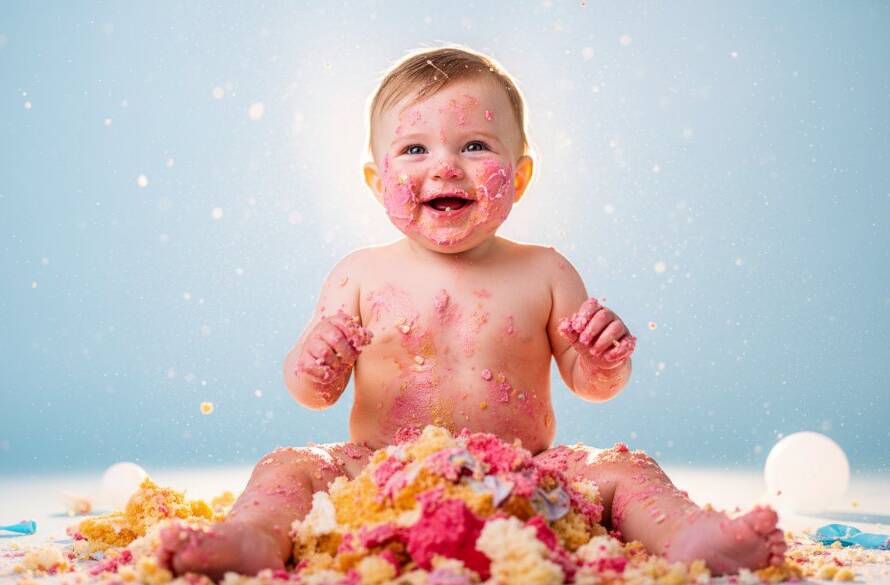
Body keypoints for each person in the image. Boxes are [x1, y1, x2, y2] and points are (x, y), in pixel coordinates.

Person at [159, 45, 786, 580]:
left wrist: (603, 359)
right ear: (376, 182)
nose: (444, 166)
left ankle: (691, 539)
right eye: (414, 148)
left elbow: (591, 386)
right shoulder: (359, 274)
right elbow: (312, 394)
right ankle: (251, 540)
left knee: (625, 469)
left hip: (525, 476)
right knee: (287, 467)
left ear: (520, 175)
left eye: (475, 145)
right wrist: (316, 361)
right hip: (379, 473)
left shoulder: (545, 271)